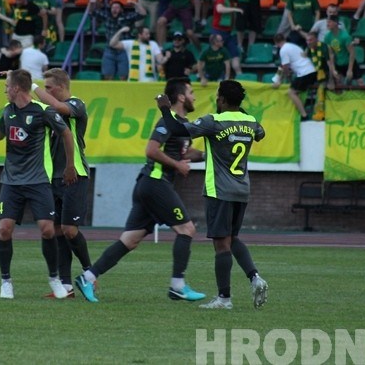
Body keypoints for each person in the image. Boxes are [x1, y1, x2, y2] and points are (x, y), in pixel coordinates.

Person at [75, 77, 206, 303]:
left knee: (130, 240)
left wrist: (207, 155)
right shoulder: (168, 121)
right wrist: (177, 165)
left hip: (149, 186)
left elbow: (184, 152)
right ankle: (177, 286)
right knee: (186, 229)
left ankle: (88, 277)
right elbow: (151, 150)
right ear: (181, 97)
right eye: (191, 92)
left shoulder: (182, 125)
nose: (194, 97)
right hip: (155, 183)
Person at [0, 69, 77, 300]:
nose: (4, 90)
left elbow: (66, 134)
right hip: (11, 182)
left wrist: (69, 165)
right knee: (4, 230)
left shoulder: (43, 111)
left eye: (6, 86)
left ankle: (54, 279)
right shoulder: (7, 111)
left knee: (47, 230)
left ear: (15, 88)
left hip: (38, 180)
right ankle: (6, 282)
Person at [154, 80, 268, 310]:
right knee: (232, 238)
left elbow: (178, 130)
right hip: (242, 189)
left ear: (222, 99)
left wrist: (165, 109)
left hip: (219, 190)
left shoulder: (212, 121)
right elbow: (261, 134)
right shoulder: (251, 121)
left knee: (221, 244)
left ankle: (224, 299)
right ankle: (255, 277)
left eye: (218, 96)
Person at [30, 68, 93, 298]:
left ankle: (90, 274)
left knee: (69, 229)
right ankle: (66, 287)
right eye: (44, 88)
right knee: (57, 231)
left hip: (74, 173)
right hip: (52, 176)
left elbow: (59, 107)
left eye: (48, 88)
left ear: (61, 87)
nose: (45, 92)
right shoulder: (48, 111)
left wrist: (31, 86)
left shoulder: (77, 104)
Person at [89, 1, 145, 80]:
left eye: (117, 7)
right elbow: (91, 12)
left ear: (121, 10)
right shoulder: (107, 16)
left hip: (123, 50)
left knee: (123, 77)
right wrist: (91, 4)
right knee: (107, 76)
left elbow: (143, 14)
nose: (114, 9)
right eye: (113, 7)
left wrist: (136, 4)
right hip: (109, 49)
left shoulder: (127, 16)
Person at [272, 33, 317, 120]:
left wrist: (280, 81)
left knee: (291, 92)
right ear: (284, 39)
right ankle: (299, 111)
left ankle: (304, 115)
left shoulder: (283, 50)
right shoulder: (292, 46)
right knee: (296, 90)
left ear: (276, 43)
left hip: (305, 73)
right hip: (311, 70)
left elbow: (285, 67)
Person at [212, 0, 243, 77]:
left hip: (230, 33)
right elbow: (219, 9)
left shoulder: (232, 1)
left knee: (235, 55)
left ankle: (240, 76)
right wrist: (235, 9)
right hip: (219, 32)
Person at [325, 15, 364, 87]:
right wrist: (333, 69)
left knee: (360, 82)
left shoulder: (345, 36)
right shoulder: (327, 37)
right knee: (338, 83)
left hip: (348, 62)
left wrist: (350, 70)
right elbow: (331, 54)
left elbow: (352, 53)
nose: (327, 24)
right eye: (327, 22)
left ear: (335, 23)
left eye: (329, 22)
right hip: (338, 63)